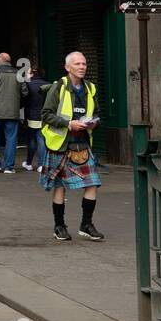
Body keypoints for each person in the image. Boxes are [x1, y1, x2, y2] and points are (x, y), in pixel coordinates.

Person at [40, 52, 104, 242]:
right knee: (60, 187)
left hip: (83, 143)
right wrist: (69, 124)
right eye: (77, 63)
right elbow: (46, 114)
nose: (82, 66)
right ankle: (59, 226)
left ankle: (86, 224)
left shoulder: (90, 88)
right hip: (60, 144)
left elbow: (98, 113)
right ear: (68, 67)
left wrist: (94, 123)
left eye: (84, 63)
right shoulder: (57, 87)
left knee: (93, 183)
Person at [0, 52, 27, 172]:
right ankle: (9, 167)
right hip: (13, 112)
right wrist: (18, 105)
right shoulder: (18, 73)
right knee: (11, 139)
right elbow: (25, 92)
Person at [23, 66, 49, 171]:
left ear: (32, 74)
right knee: (41, 139)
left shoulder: (28, 85)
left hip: (31, 115)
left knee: (32, 140)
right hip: (44, 115)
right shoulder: (48, 85)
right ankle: (41, 164)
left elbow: (24, 100)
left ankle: (29, 163)